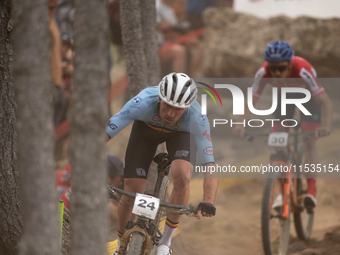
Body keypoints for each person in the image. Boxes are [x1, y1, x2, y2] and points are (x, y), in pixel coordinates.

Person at [106, 72, 218, 255]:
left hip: (180, 135)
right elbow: (107, 131)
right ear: (159, 98)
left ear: (188, 107)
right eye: (167, 105)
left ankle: (165, 243)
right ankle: (121, 243)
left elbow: (209, 163)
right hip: (145, 130)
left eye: (178, 109)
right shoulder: (141, 102)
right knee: (132, 189)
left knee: (183, 176)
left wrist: (209, 200)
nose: (171, 114)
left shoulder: (198, 117)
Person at [232, 41, 333, 212]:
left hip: (307, 95)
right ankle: (284, 188)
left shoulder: (302, 70)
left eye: (282, 68)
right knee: (279, 144)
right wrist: (240, 124)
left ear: (290, 63)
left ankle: (310, 191)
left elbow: (326, 103)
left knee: (309, 143)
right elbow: (251, 100)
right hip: (283, 95)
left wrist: (325, 126)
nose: (277, 72)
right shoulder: (263, 72)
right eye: (273, 68)